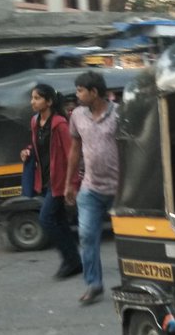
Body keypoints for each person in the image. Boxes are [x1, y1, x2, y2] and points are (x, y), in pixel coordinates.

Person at [65, 70, 120, 305]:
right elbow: (75, 150)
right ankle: (94, 283)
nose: (77, 95)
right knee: (87, 236)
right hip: (90, 188)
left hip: (120, 189)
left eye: (80, 91)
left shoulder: (119, 114)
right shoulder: (77, 115)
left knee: (130, 239)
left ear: (94, 92)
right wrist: (69, 183)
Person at [21, 83, 82, 279]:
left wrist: (72, 184)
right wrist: (28, 150)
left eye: (37, 98)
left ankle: (70, 260)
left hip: (60, 181)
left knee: (46, 219)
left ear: (48, 102)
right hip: (45, 179)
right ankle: (74, 261)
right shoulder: (35, 122)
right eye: (32, 98)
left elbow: (72, 154)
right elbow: (37, 144)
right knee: (59, 221)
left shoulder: (59, 124)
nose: (32, 102)